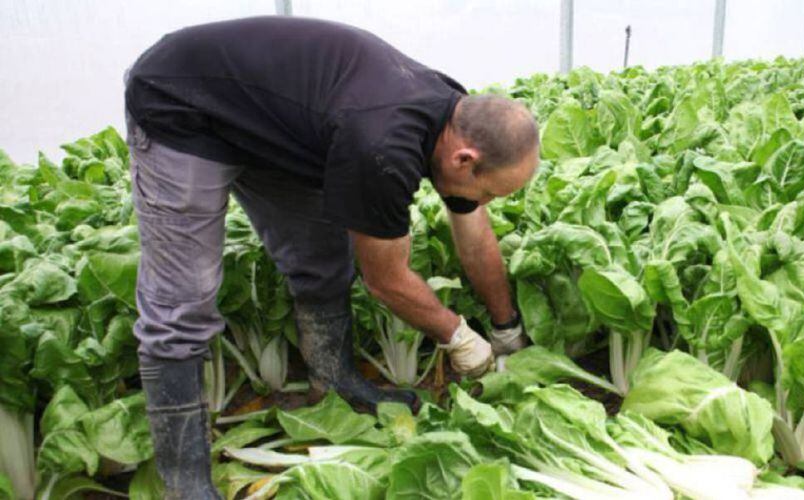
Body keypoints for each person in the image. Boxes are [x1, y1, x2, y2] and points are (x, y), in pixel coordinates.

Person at [123, 16, 537, 499]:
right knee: (183, 304)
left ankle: (333, 382)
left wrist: (506, 327)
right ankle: (185, 483)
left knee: (321, 259)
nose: (482, 202)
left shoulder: (456, 118)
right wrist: (460, 338)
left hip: (270, 124)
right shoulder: (382, 145)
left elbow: (474, 234)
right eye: (487, 192)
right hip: (183, 106)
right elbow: (385, 280)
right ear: (464, 159)